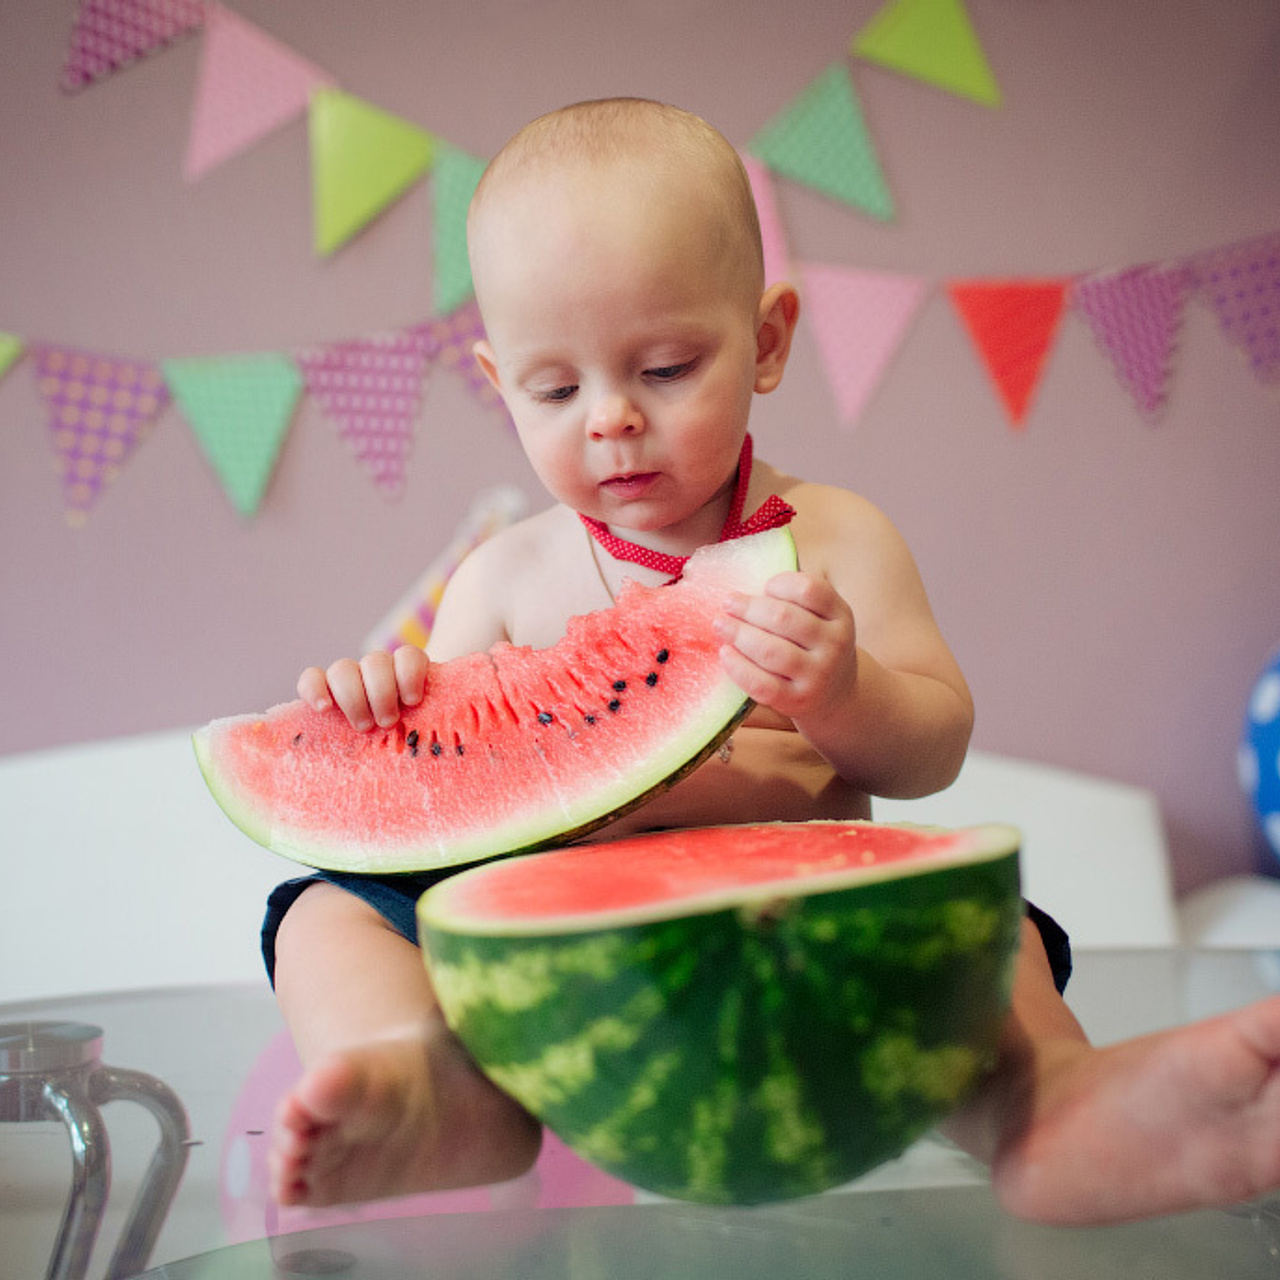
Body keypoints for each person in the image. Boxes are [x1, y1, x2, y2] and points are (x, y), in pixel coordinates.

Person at [264, 97, 1280, 1224]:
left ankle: (1053, 1111)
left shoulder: (835, 531)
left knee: (995, 936)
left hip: (805, 922)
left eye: (662, 367)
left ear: (766, 341)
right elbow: (446, 796)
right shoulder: (501, 578)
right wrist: (383, 704)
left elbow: (934, 743)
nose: (609, 420)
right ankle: (434, 1085)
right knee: (317, 909)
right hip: (570, 949)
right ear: (500, 387)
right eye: (556, 389)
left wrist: (845, 689)